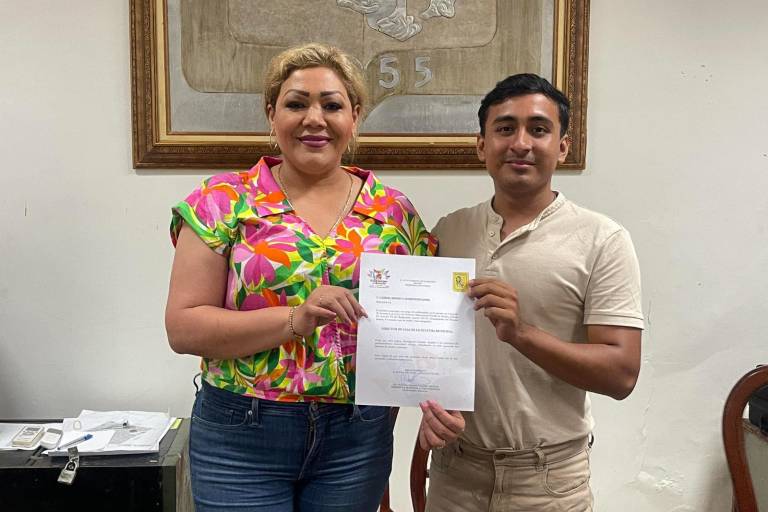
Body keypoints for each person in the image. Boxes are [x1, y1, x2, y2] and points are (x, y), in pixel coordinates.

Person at [165, 43, 436, 512]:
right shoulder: (222, 200)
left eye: (331, 105)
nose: (315, 119)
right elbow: (183, 328)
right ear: (271, 114)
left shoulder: (393, 213)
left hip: (355, 437)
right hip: (241, 432)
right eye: (296, 104)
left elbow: (423, 327)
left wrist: (439, 394)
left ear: (355, 116)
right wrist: (294, 318)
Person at [418, 73, 644, 511]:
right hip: (454, 473)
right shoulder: (450, 230)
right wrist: (429, 406)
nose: (520, 143)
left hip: (548, 481)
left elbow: (621, 375)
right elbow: (428, 344)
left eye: (538, 129)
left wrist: (522, 333)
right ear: (482, 145)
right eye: (505, 128)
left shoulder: (602, 239)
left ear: (562, 146)